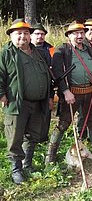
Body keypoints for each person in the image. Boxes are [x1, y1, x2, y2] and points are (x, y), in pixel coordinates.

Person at [46, 21, 92, 164]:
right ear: (69, 35)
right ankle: (50, 156)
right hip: (72, 94)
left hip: (90, 92)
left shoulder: (90, 49)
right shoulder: (62, 50)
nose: (79, 36)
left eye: (82, 33)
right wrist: (65, 91)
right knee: (64, 123)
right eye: (76, 33)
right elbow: (57, 73)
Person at [0, 19, 52, 184]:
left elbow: (48, 76)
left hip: (37, 103)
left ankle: (27, 164)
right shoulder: (6, 53)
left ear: (30, 36)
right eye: (18, 33)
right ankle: (16, 170)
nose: (23, 36)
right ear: (11, 36)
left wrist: (49, 96)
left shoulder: (38, 52)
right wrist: (2, 95)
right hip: (17, 103)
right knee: (15, 137)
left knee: (32, 135)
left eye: (26, 33)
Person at [30, 23, 55, 143]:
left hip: (47, 87)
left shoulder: (50, 49)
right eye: (37, 34)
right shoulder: (26, 49)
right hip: (31, 89)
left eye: (42, 34)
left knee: (46, 114)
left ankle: (43, 139)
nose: (40, 36)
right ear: (31, 35)